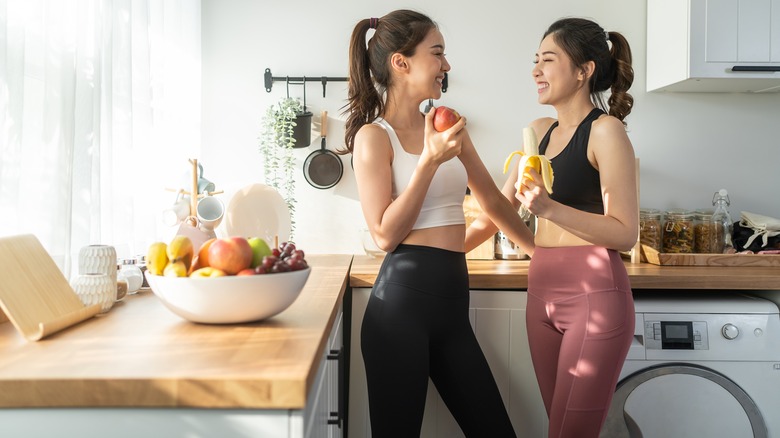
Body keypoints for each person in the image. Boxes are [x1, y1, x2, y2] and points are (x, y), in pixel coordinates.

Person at [343, 9, 534, 438]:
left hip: (452, 311)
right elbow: (385, 234)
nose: (446, 65)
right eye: (437, 53)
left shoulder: (449, 126)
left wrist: (542, 255)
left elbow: (493, 205)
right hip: (399, 313)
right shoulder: (374, 137)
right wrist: (428, 161)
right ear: (401, 62)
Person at [465, 17, 638, 438]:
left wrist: (549, 208)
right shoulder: (537, 133)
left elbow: (624, 232)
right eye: (535, 61)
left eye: (548, 59)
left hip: (594, 296)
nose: (535, 70)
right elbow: (498, 209)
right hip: (541, 291)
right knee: (557, 428)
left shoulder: (606, 131)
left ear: (584, 71)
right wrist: (463, 152)